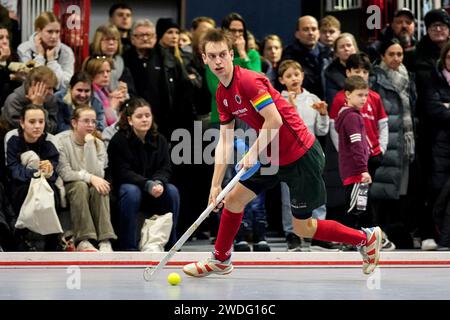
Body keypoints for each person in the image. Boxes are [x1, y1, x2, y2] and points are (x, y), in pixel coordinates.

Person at [182, 29, 382, 277]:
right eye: (212, 56)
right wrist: (214, 186)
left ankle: (366, 237)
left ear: (231, 54)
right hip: (272, 152)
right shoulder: (222, 94)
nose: (218, 61)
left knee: (303, 227)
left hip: (301, 155)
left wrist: (254, 152)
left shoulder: (249, 81)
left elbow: (273, 120)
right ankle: (221, 260)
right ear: (204, 59)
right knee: (232, 199)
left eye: (223, 54)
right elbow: (224, 141)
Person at [107, 97, 179, 251]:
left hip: (153, 186)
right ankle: (128, 246)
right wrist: (147, 184)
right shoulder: (118, 141)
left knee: (172, 191)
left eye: (147, 115)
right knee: (132, 192)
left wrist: (158, 182)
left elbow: (165, 168)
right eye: (139, 116)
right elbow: (122, 172)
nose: (144, 119)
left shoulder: (159, 140)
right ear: (130, 120)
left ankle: (172, 245)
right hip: (129, 187)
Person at [277, 59, 332, 251]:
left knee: (316, 192)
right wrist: (289, 109)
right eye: (289, 76)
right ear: (281, 80)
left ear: (302, 76)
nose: (294, 79)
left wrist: (324, 114)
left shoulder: (313, 100)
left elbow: (322, 131)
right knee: (289, 196)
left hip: (311, 153)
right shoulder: (278, 100)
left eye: (296, 74)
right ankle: (292, 234)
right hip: (288, 155)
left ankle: (319, 233)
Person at [56, 106, 117, 252]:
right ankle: (83, 239)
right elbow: (65, 173)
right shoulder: (61, 141)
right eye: (86, 121)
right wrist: (89, 177)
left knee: (101, 187)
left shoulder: (99, 144)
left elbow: (98, 174)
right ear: (74, 123)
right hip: (69, 186)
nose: (91, 125)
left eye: (93, 122)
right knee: (80, 186)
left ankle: (105, 240)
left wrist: (90, 145)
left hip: (90, 184)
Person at [5, 104, 61, 251]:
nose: (37, 126)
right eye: (32, 122)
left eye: (41, 122)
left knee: (53, 193)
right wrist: (37, 173)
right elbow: (14, 170)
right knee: (23, 191)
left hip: (44, 184)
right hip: (20, 184)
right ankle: (19, 238)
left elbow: (54, 173)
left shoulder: (49, 142)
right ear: (22, 123)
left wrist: (48, 171)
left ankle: (52, 240)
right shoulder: (13, 141)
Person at [335, 76, 372, 216]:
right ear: (348, 94)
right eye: (360, 95)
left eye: (366, 95)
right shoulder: (352, 118)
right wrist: (363, 169)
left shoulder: (352, 115)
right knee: (354, 210)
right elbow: (356, 144)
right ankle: (348, 237)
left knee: (360, 209)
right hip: (357, 173)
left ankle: (359, 237)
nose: (364, 99)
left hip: (357, 172)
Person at [17, 11, 74, 90]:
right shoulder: (24, 49)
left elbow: (66, 84)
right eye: (50, 32)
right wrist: (40, 56)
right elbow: (31, 82)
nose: (54, 36)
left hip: (57, 97)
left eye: (57, 32)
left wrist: (51, 61)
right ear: (39, 31)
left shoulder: (66, 51)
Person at [1, 65, 59, 134]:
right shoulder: (14, 100)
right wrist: (37, 106)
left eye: (52, 88)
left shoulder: (50, 99)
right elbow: (26, 132)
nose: (52, 93)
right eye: (48, 88)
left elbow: (51, 129)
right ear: (34, 84)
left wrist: (38, 105)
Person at [82, 55, 127, 128]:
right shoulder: (89, 94)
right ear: (90, 74)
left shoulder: (105, 91)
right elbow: (100, 126)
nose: (106, 75)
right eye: (100, 72)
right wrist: (112, 107)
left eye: (108, 71)